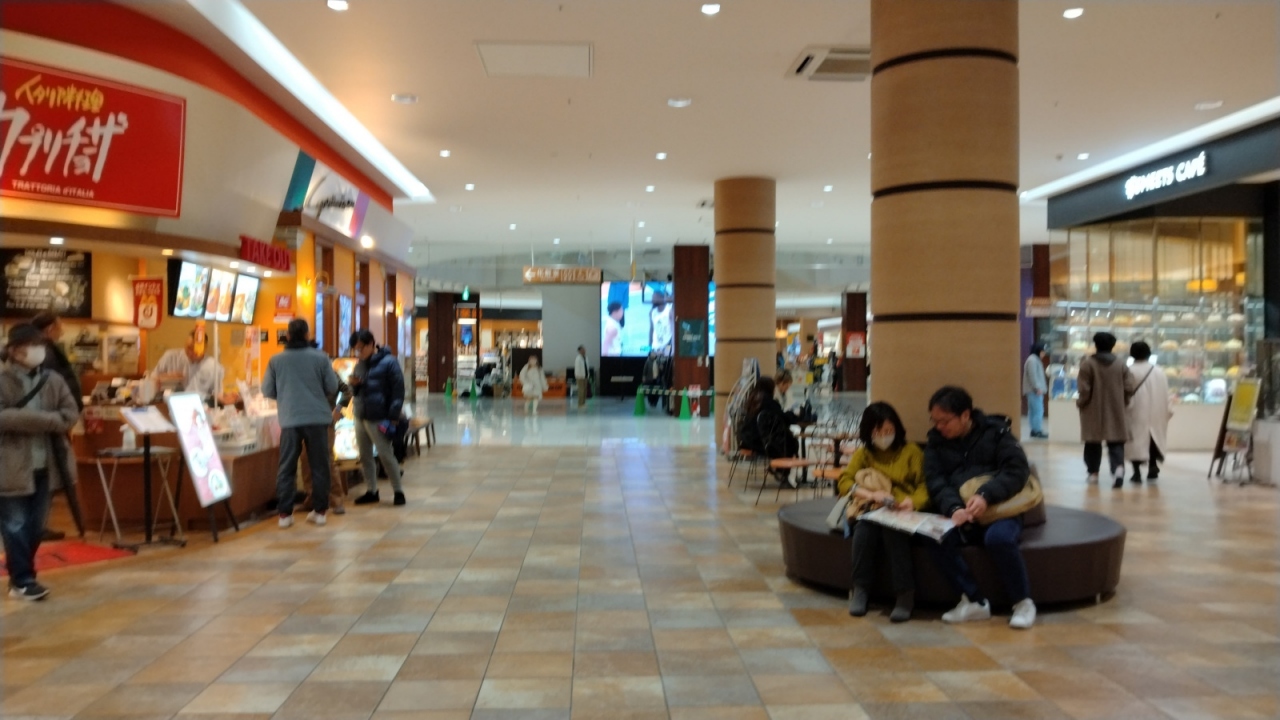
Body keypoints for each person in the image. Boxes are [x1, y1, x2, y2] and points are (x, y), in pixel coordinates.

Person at [924, 386, 1037, 629]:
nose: (939, 427)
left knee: (999, 538)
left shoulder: (997, 432)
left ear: (965, 415)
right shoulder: (935, 443)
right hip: (961, 513)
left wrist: (986, 495)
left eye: (945, 421)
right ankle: (974, 600)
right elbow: (936, 482)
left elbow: (1017, 470)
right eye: (935, 421)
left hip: (999, 509)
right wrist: (954, 507)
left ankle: (1023, 603)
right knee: (935, 535)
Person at [0, 324, 80, 600]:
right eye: (31, 346)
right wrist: (47, 421)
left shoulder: (52, 380)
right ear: (14, 351)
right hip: (9, 465)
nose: (38, 350)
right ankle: (23, 580)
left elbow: (70, 414)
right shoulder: (3, 381)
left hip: (48, 464)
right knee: (15, 524)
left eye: (40, 345)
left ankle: (22, 577)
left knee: (35, 526)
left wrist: (22, 420)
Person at [838, 402, 927, 623]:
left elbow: (924, 487)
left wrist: (912, 502)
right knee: (864, 530)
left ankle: (905, 594)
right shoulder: (864, 454)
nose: (884, 437)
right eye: (878, 432)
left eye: (889, 431)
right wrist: (870, 494)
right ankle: (860, 589)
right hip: (874, 508)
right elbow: (845, 481)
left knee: (893, 533)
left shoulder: (911, 452)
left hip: (902, 511)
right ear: (869, 432)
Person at [263, 319, 340, 528]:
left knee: (287, 467)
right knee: (320, 466)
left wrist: (286, 395)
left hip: (290, 419)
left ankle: (284, 515)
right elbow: (332, 386)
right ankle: (320, 512)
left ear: (288, 336)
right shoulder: (321, 358)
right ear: (307, 335)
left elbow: (267, 390)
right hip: (317, 418)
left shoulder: (276, 360)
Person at [349, 330, 407, 506]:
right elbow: (355, 391)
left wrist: (393, 415)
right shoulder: (360, 365)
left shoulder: (389, 362)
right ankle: (371, 491)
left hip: (379, 416)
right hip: (360, 414)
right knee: (365, 455)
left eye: (361, 348)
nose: (359, 353)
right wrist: (354, 385)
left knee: (385, 455)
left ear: (371, 344)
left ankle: (398, 491)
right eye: (356, 350)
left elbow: (398, 390)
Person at [1077, 332, 1136, 488]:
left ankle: (1093, 473)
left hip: (1092, 409)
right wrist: (1124, 400)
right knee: (1116, 442)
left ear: (1095, 345)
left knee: (1092, 443)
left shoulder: (1087, 364)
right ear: (1113, 346)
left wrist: (1081, 403)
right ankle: (1118, 469)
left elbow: (1084, 389)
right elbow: (1130, 386)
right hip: (1116, 409)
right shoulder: (1121, 365)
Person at [736, 376, 800, 486]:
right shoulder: (768, 402)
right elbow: (781, 418)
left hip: (747, 440)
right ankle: (783, 472)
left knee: (785, 441)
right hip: (760, 442)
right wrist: (794, 415)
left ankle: (779, 469)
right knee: (791, 443)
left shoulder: (752, 400)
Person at [1125, 341, 1171, 484]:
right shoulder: (1159, 371)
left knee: (1135, 441)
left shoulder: (1129, 371)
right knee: (1153, 439)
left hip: (1136, 411)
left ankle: (1136, 472)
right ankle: (1152, 465)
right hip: (1156, 411)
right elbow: (1166, 394)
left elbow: (1125, 392)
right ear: (1149, 354)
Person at [31, 312, 82, 411]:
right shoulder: (47, 352)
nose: (61, 333)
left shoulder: (36, 350)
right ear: (50, 329)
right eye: (59, 328)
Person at [1023, 343, 1048, 439]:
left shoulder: (1033, 359)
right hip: (1034, 391)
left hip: (1033, 390)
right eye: (1043, 352)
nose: (1044, 354)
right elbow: (1033, 376)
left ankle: (1034, 430)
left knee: (1033, 411)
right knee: (1038, 411)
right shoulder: (1033, 360)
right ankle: (1037, 430)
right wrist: (1037, 388)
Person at [650, 290, 673, 355]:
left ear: (661, 298)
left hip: (667, 346)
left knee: (665, 359)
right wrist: (650, 348)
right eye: (652, 297)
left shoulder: (669, 311)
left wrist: (666, 351)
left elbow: (674, 333)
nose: (652, 300)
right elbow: (651, 330)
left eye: (654, 297)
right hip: (655, 347)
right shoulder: (652, 312)